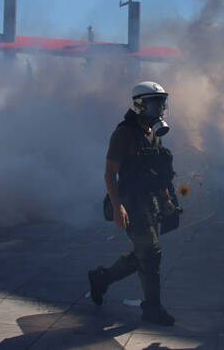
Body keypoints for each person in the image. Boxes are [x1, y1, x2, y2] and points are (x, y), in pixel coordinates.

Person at [88, 81, 177, 326]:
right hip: (130, 201)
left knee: (144, 253)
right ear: (139, 105)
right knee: (151, 252)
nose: (158, 108)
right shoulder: (124, 133)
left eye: (161, 102)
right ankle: (152, 308)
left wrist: (166, 200)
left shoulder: (153, 132)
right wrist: (118, 207)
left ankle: (101, 279)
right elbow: (109, 173)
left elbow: (157, 171)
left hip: (147, 202)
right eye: (153, 102)